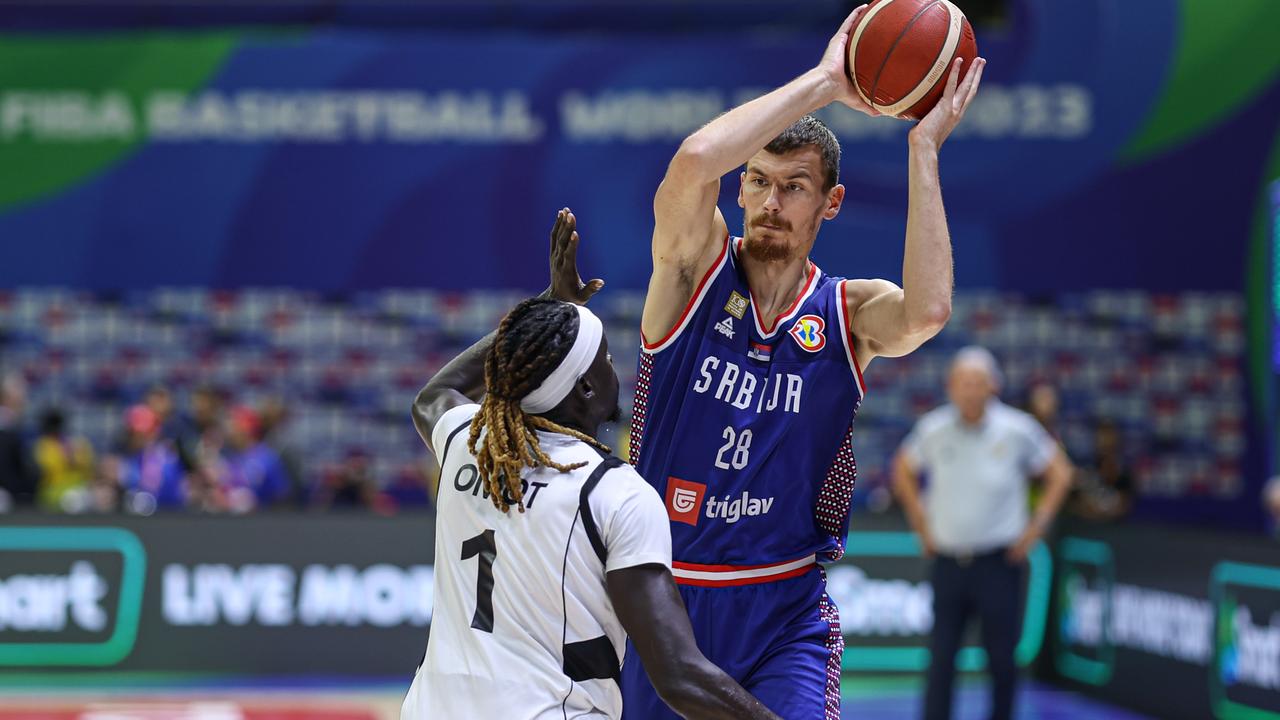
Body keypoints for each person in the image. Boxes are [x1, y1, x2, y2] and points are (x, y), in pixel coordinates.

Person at [622, 5, 986, 717]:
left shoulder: (847, 313)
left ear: (831, 203)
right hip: (665, 598)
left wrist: (924, 152)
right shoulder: (692, 272)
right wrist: (827, 79)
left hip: (785, 606)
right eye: (757, 181)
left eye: (793, 187)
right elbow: (696, 162)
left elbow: (928, 312)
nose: (770, 201)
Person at [404, 209, 778, 720]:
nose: (612, 366)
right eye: (602, 357)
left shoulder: (472, 444)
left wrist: (549, 306)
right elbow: (679, 674)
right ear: (584, 388)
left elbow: (435, 394)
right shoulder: (612, 490)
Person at [890, 347, 1073, 720]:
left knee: (1002, 660)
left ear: (994, 387)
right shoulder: (934, 429)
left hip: (999, 563)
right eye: (964, 383)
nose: (971, 391)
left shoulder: (1018, 429)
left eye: (978, 383)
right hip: (948, 563)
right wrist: (920, 521)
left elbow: (1061, 473)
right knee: (941, 659)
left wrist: (1036, 527)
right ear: (951, 387)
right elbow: (901, 469)